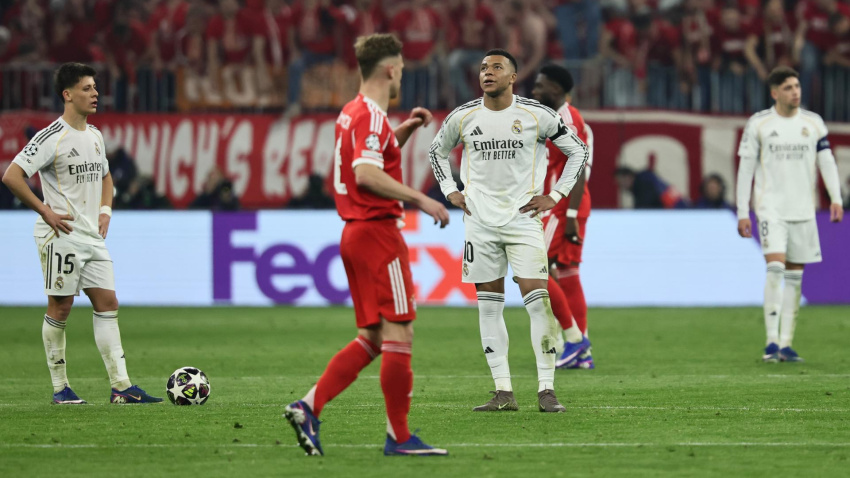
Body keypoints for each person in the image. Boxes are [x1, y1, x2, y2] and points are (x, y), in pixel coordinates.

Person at [283, 33, 450, 457]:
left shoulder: (354, 113)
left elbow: (372, 158)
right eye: (402, 69)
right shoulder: (370, 116)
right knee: (401, 332)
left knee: (373, 337)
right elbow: (365, 174)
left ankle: (309, 406)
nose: (402, 77)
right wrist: (422, 198)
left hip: (355, 234)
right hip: (377, 233)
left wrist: (403, 132)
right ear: (391, 69)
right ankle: (399, 437)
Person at [429, 49, 588, 413]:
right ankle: (503, 392)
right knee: (489, 308)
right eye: (484, 67)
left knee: (538, 301)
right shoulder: (463, 116)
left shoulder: (536, 115)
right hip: (479, 224)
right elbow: (436, 152)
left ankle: (546, 390)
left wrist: (556, 195)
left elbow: (577, 152)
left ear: (513, 77)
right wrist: (449, 190)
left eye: (497, 67)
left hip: (523, 221)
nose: (488, 72)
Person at [1, 63, 162, 404]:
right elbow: (12, 175)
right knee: (60, 308)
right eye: (87, 88)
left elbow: (106, 177)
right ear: (68, 94)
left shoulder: (95, 136)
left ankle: (121, 387)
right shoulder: (50, 137)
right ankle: (61, 389)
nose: (95, 94)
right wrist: (44, 210)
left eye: (95, 88)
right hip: (61, 235)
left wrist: (106, 211)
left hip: (91, 236)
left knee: (107, 303)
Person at [736, 66, 843, 363]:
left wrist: (835, 197)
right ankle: (770, 341)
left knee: (795, 277)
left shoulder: (813, 123)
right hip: (771, 208)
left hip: (803, 210)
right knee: (775, 269)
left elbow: (827, 162)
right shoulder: (759, 124)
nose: (795, 91)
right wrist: (743, 210)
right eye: (788, 87)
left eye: (797, 86)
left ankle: (786, 343)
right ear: (774, 93)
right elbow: (745, 169)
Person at [531, 64, 594, 370]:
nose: (534, 91)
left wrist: (569, 214)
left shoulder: (567, 118)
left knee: (533, 268)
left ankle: (574, 340)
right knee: (566, 275)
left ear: (555, 89)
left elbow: (579, 166)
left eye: (539, 86)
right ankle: (581, 351)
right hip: (563, 206)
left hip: (563, 206)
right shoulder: (558, 117)